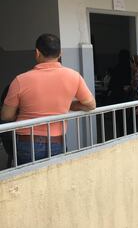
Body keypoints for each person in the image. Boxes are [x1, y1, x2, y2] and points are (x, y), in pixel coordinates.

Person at [0, 34, 95, 165]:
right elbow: (91, 105)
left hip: (27, 142)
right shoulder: (74, 76)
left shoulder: (20, 80)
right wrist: (70, 106)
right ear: (61, 52)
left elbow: (6, 116)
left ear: (37, 53)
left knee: (28, 180)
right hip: (57, 141)